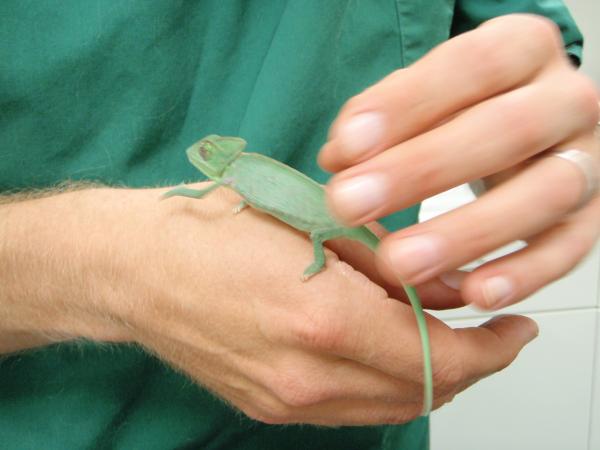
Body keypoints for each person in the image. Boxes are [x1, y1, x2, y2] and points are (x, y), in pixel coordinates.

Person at [0, 1, 598, 449]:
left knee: (320, 232)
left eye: (211, 159)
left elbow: (515, 49)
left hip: (358, 408)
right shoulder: (230, 176)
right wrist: (94, 262)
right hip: (53, 424)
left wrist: (538, 137)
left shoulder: (232, 176)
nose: (204, 164)